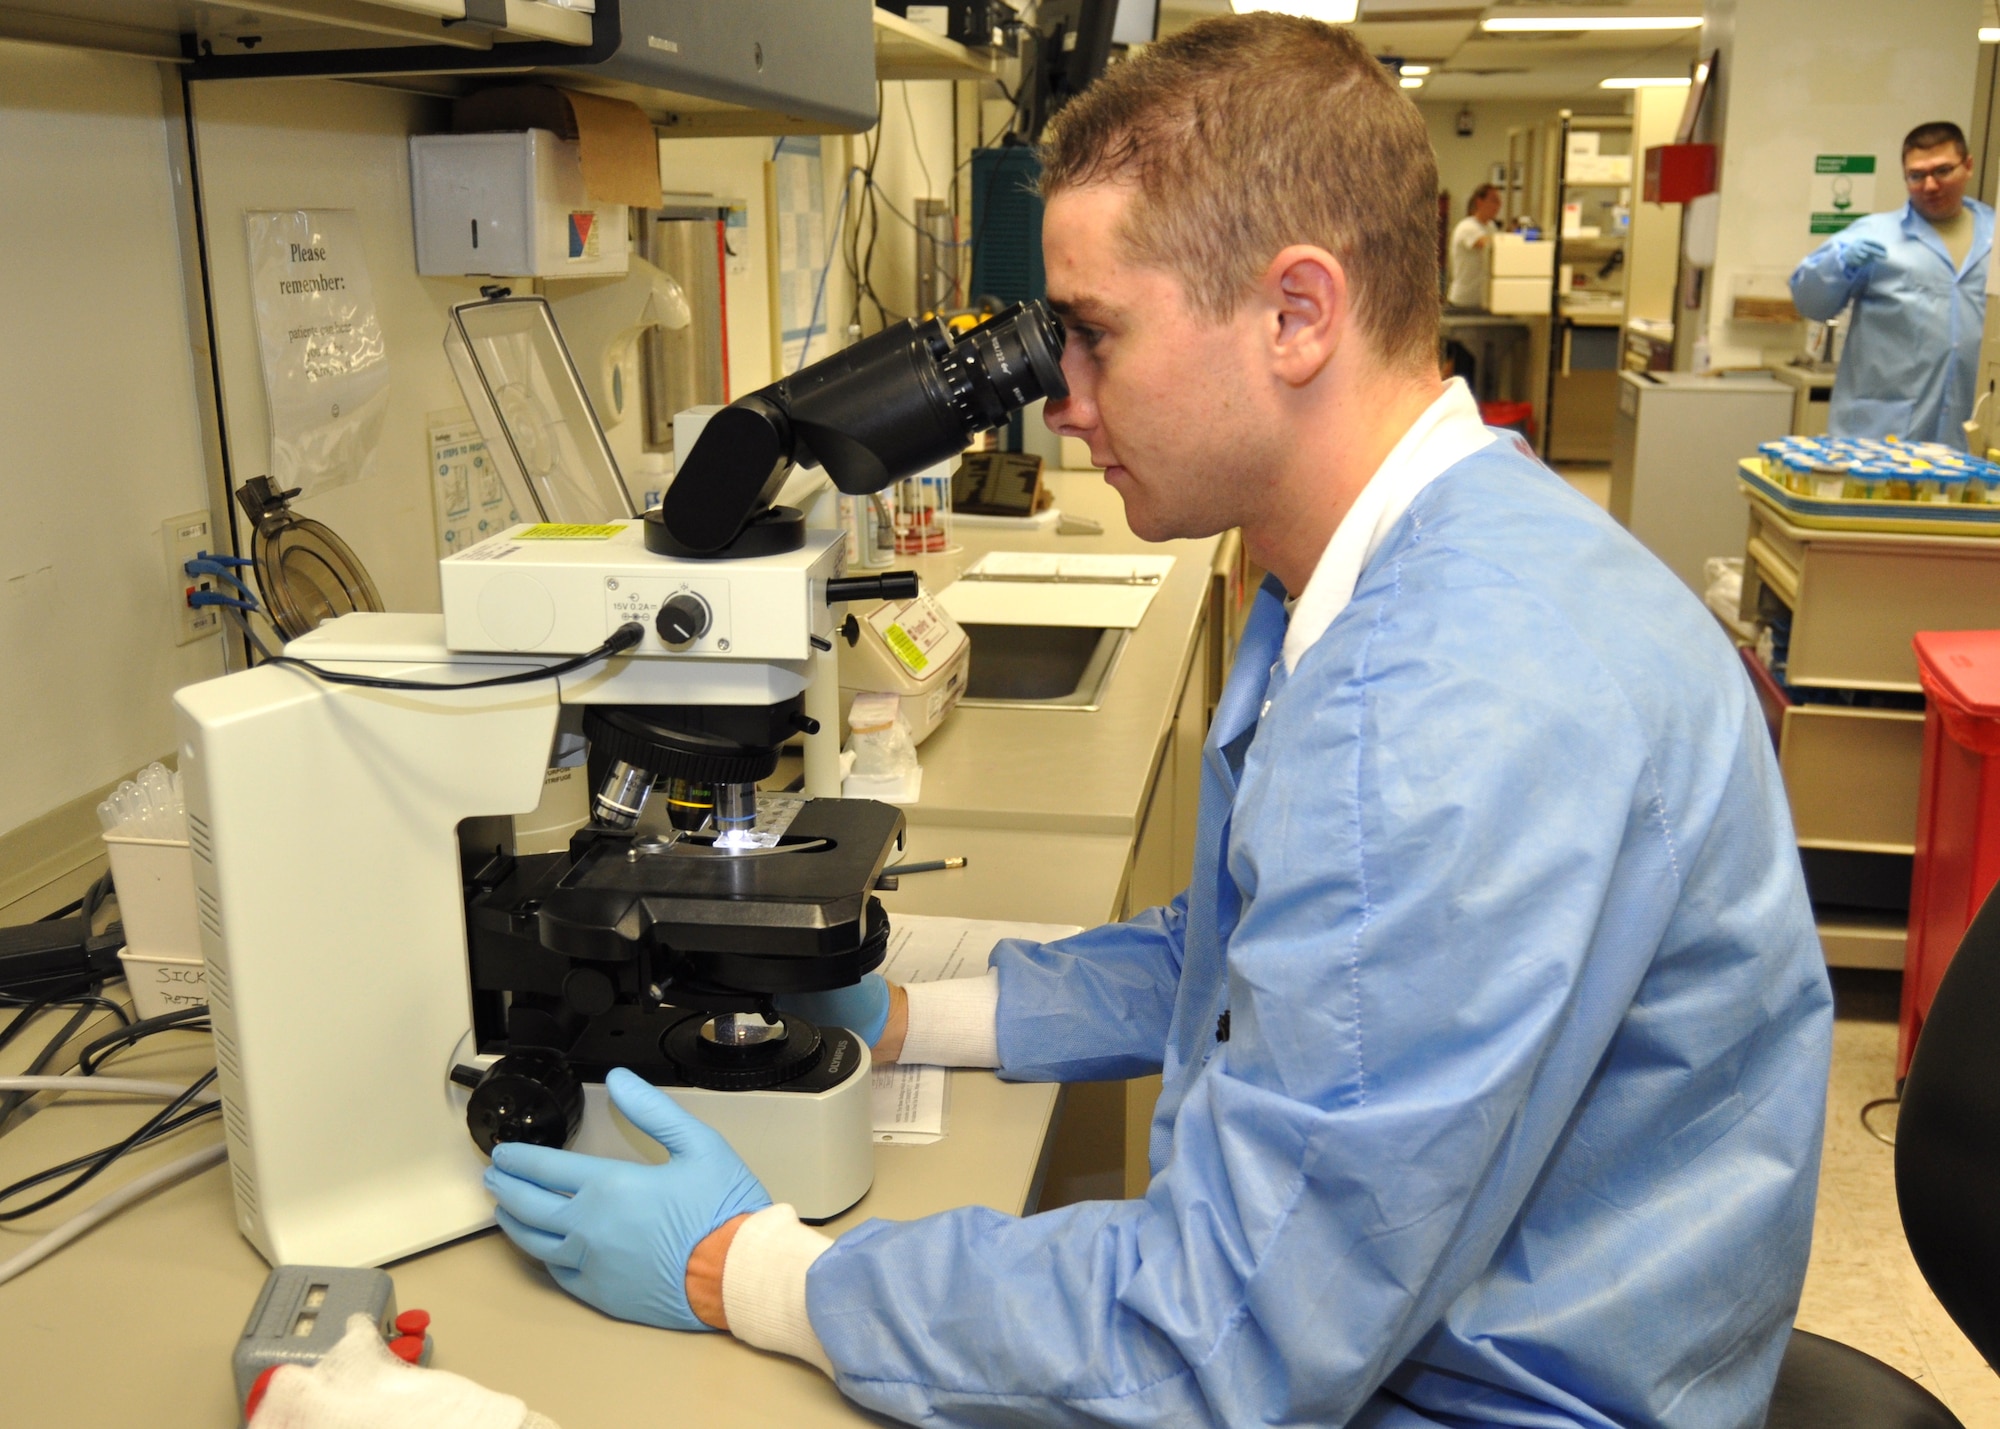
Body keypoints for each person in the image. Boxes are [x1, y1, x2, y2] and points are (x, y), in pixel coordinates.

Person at [484, 16, 1834, 1427]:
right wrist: (912, 1017)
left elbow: (1224, 1338)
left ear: (1297, 314)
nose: (1059, 403)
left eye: (1093, 336)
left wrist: (756, 1272)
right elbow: (1256, 953)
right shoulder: (1401, 562)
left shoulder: (1450, 712)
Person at [1791, 120, 1993, 449]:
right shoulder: (1873, 235)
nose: (1930, 185)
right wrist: (1838, 265)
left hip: (1970, 429)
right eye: (1916, 175)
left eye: (1942, 171)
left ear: (1968, 166)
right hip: (1883, 432)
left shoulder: (1994, 239)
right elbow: (1810, 304)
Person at [1447, 182, 1502, 310]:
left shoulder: (1491, 227)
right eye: (1494, 201)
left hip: (1482, 301)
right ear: (1479, 202)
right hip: (1464, 302)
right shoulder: (1467, 227)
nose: (1498, 206)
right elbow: (1488, 245)